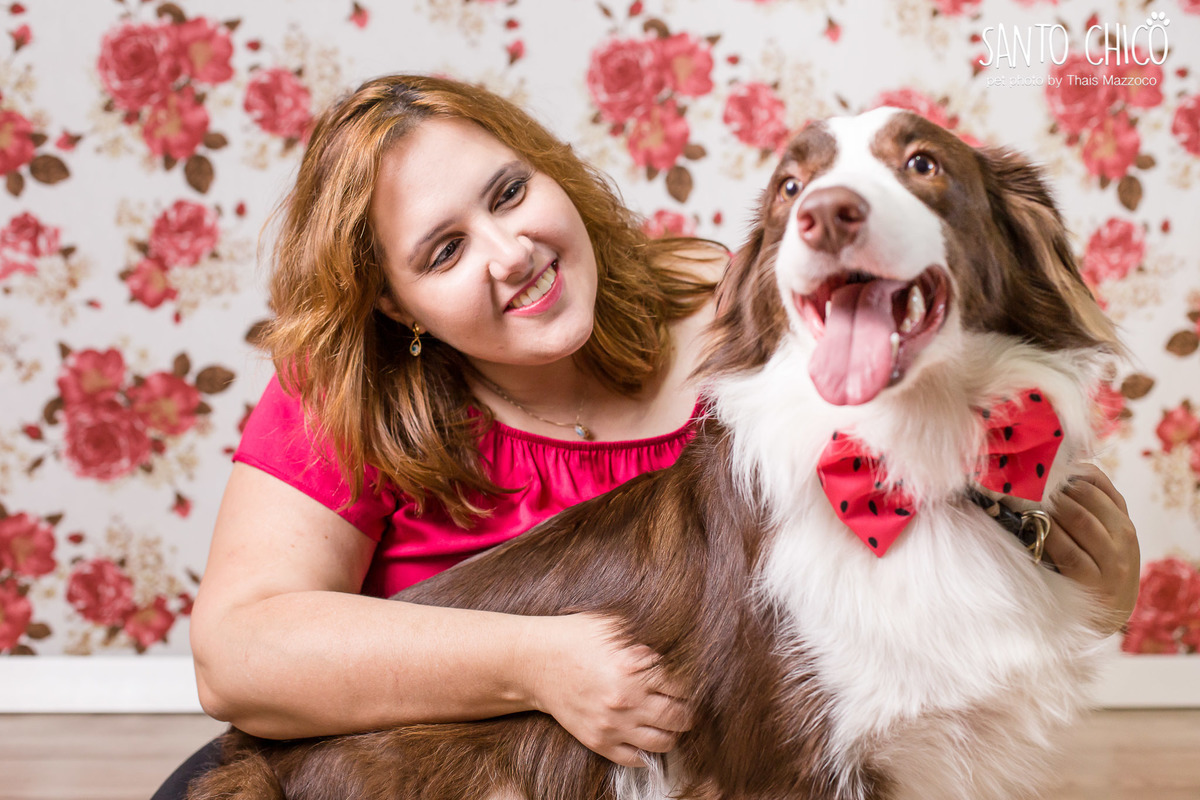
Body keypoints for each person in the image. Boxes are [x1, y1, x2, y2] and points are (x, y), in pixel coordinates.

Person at [152, 74, 1140, 799]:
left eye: (507, 194)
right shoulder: (347, 390)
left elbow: (937, 468)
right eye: (443, 250)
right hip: (386, 742)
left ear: (557, 176)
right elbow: (236, 656)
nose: (509, 254)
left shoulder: (746, 317)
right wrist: (538, 660)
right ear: (395, 303)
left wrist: (1080, 567)